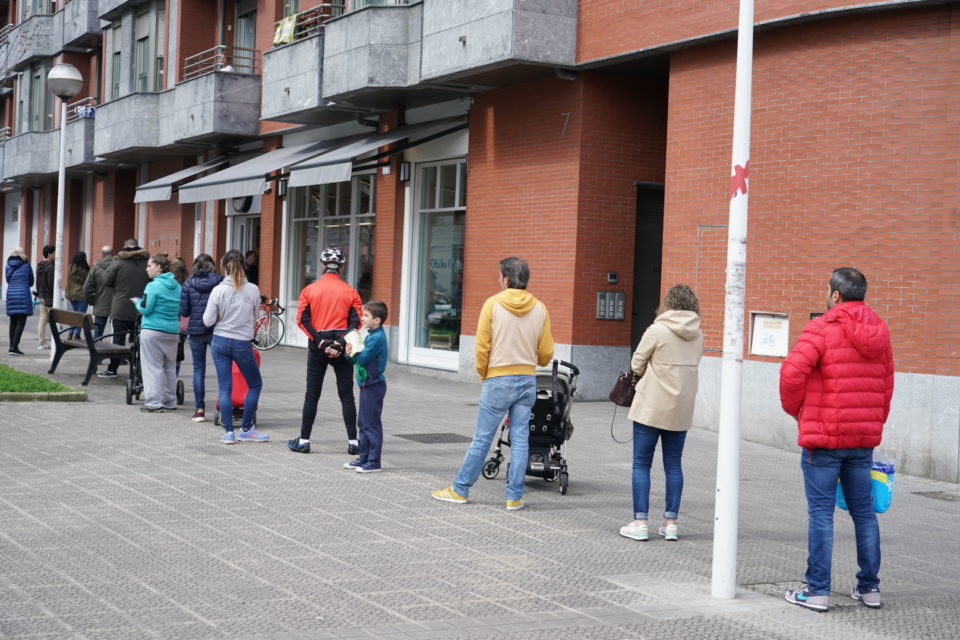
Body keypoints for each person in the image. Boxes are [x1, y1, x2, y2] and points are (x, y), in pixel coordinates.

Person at [780, 268, 894, 612]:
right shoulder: (880, 331)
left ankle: (817, 592)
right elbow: (887, 386)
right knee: (864, 513)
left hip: (824, 440)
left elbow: (791, 374)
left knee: (821, 514)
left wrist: (798, 412)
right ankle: (870, 589)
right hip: (862, 439)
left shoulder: (821, 328)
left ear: (835, 295)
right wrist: (872, 422)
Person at [432, 257, 554, 511]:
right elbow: (545, 353)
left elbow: (482, 346)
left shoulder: (493, 304)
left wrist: (483, 373)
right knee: (521, 439)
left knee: (482, 439)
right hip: (527, 378)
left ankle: (460, 489)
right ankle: (514, 497)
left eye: (500, 276)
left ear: (506, 279)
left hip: (499, 377)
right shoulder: (540, 308)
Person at [618, 284, 703, 543]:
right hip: (681, 408)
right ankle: (670, 523)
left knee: (642, 463)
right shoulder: (698, 334)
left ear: (667, 303)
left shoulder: (657, 329)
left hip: (652, 406)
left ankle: (640, 522)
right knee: (674, 465)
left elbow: (637, 363)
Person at [287, 246, 362, 455]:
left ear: (322, 265)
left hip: (318, 348)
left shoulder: (309, 290)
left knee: (312, 395)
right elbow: (356, 322)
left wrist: (321, 343)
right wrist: (338, 343)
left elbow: (302, 319)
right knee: (347, 396)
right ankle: (353, 443)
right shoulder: (351, 291)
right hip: (342, 348)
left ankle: (303, 441)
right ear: (342, 267)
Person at [203, 249, 268, 444]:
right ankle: (247, 428)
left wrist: (220, 317)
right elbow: (255, 318)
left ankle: (229, 432)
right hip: (241, 341)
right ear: (244, 265)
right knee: (255, 384)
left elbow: (207, 321)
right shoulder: (253, 290)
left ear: (224, 266)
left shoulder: (218, 290)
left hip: (220, 340)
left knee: (225, 387)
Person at [344, 300, 389, 473]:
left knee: (372, 425)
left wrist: (352, 352)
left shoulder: (377, 338)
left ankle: (374, 461)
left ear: (376, 320)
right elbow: (358, 358)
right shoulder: (371, 335)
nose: (362, 318)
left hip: (374, 385)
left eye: (366, 316)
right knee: (363, 423)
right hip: (366, 385)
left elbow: (362, 359)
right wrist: (350, 353)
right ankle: (364, 458)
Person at [134, 254, 182, 413]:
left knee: (152, 367)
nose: (146, 269)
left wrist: (136, 303)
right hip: (172, 331)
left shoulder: (152, 286)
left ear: (159, 267)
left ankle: (154, 403)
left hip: (153, 330)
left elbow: (146, 308)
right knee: (169, 367)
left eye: (149, 266)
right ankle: (170, 401)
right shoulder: (177, 286)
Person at [180, 254, 223, 422]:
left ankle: (199, 409)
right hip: (216, 330)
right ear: (212, 266)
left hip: (196, 331)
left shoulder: (188, 283)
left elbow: (184, 312)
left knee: (198, 369)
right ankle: (223, 405)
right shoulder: (220, 281)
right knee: (222, 368)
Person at [99, 239, 150, 378]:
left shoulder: (118, 261)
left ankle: (113, 369)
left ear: (124, 247)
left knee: (117, 340)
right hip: (142, 308)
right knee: (141, 341)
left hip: (120, 307)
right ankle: (139, 371)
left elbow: (106, 280)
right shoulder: (148, 262)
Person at [5, 247, 34, 355]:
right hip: (23, 295)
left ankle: (11, 347)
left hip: (11, 294)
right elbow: (31, 282)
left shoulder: (8, 266)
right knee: (20, 322)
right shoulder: (26, 266)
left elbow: (8, 280)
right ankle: (14, 347)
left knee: (13, 322)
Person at [83, 246, 114, 340]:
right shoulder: (118, 267)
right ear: (113, 253)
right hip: (118, 303)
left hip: (100, 303)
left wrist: (91, 301)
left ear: (102, 254)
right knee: (118, 332)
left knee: (98, 329)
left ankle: (95, 349)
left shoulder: (95, 268)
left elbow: (86, 287)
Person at [65, 251, 91, 339]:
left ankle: (70, 334)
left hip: (71, 294)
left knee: (74, 314)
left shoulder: (70, 268)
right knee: (80, 315)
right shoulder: (85, 271)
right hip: (81, 295)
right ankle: (77, 334)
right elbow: (87, 282)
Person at [35, 245, 55, 351]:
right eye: (54, 253)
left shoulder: (40, 265)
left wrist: (39, 292)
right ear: (49, 254)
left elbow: (37, 281)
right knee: (53, 319)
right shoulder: (51, 266)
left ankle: (41, 342)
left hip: (41, 295)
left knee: (42, 319)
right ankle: (55, 341)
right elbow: (51, 283)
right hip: (49, 297)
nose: (56, 255)